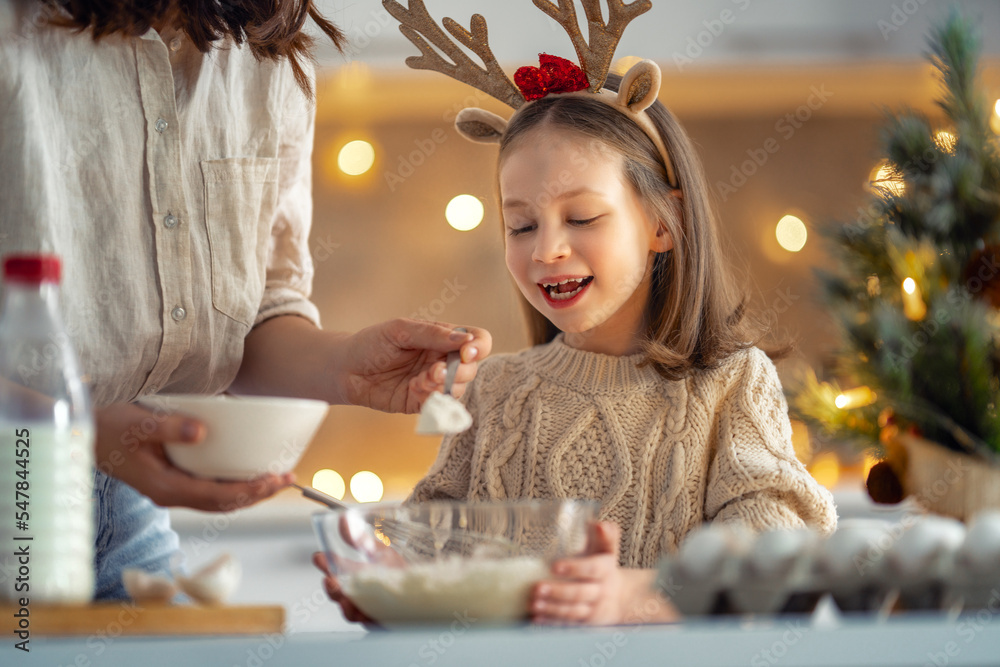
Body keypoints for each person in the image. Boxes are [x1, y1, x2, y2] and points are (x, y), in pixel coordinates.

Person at [0, 0, 491, 600]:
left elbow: (257, 312)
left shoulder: (262, 55)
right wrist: (83, 428)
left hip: (122, 519)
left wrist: (347, 368)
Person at [317, 67, 838, 626]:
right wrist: (392, 584)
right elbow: (435, 540)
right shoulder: (494, 391)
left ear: (666, 221)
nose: (547, 250)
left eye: (582, 217)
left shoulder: (730, 382)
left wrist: (634, 595)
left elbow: (776, 548)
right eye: (521, 226)